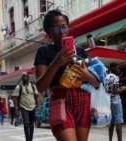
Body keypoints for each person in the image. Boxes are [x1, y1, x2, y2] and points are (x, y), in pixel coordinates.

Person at [34, 9, 100, 141]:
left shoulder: (80, 50)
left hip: (83, 100)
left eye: (64, 26)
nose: (62, 31)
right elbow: (40, 86)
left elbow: (97, 83)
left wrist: (87, 76)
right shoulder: (43, 51)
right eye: (56, 28)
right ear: (49, 32)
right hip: (60, 101)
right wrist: (56, 63)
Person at [104, 62, 126, 141]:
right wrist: (125, 88)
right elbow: (115, 91)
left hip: (108, 101)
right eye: (117, 68)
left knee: (111, 122)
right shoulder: (115, 77)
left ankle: (110, 139)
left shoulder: (106, 77)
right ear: (112, 68)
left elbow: (110, 90)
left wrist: (120, 88)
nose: (118, 70)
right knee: (119, 121)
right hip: (116, 101)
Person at [13, 72, 41, 141]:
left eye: (26, 76)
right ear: (22, 78)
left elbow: (37, 97)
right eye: (23, 76)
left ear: (28, 77)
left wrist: (39, 106)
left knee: (31, 124)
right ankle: (27, 139)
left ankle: (30, 139)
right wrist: (16, 110)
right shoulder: (18, 87)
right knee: (26, 123)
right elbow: (15, 99)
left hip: (32, 107)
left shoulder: (33, 86)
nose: (25, 77)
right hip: (23, 107)